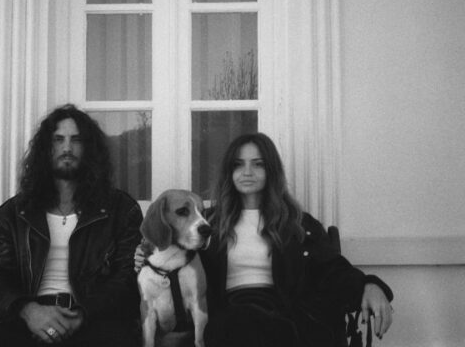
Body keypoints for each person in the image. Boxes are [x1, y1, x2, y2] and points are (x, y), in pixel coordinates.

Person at [135, 132, 393, 347]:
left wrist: (368, 284)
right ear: (229, 171)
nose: (247, 172)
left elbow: (332, 268)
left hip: (287, 314)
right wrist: (146, 255)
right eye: (238, 164)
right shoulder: (208, 224)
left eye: (258, 164)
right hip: (229, 317)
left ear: (271, 170)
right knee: (240, 320)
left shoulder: (298, 223)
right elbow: (171, 256)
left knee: (258, 324)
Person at [0, 104, 143, 347]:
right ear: (45, 149)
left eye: (76, 140)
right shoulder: (14, 214)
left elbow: (126, 280)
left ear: (90, 149)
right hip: (25, 321)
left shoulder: (121, 210)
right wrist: (30, 311)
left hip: (93, 322)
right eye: (58, 140)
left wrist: (81, 314)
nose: (67, 148)